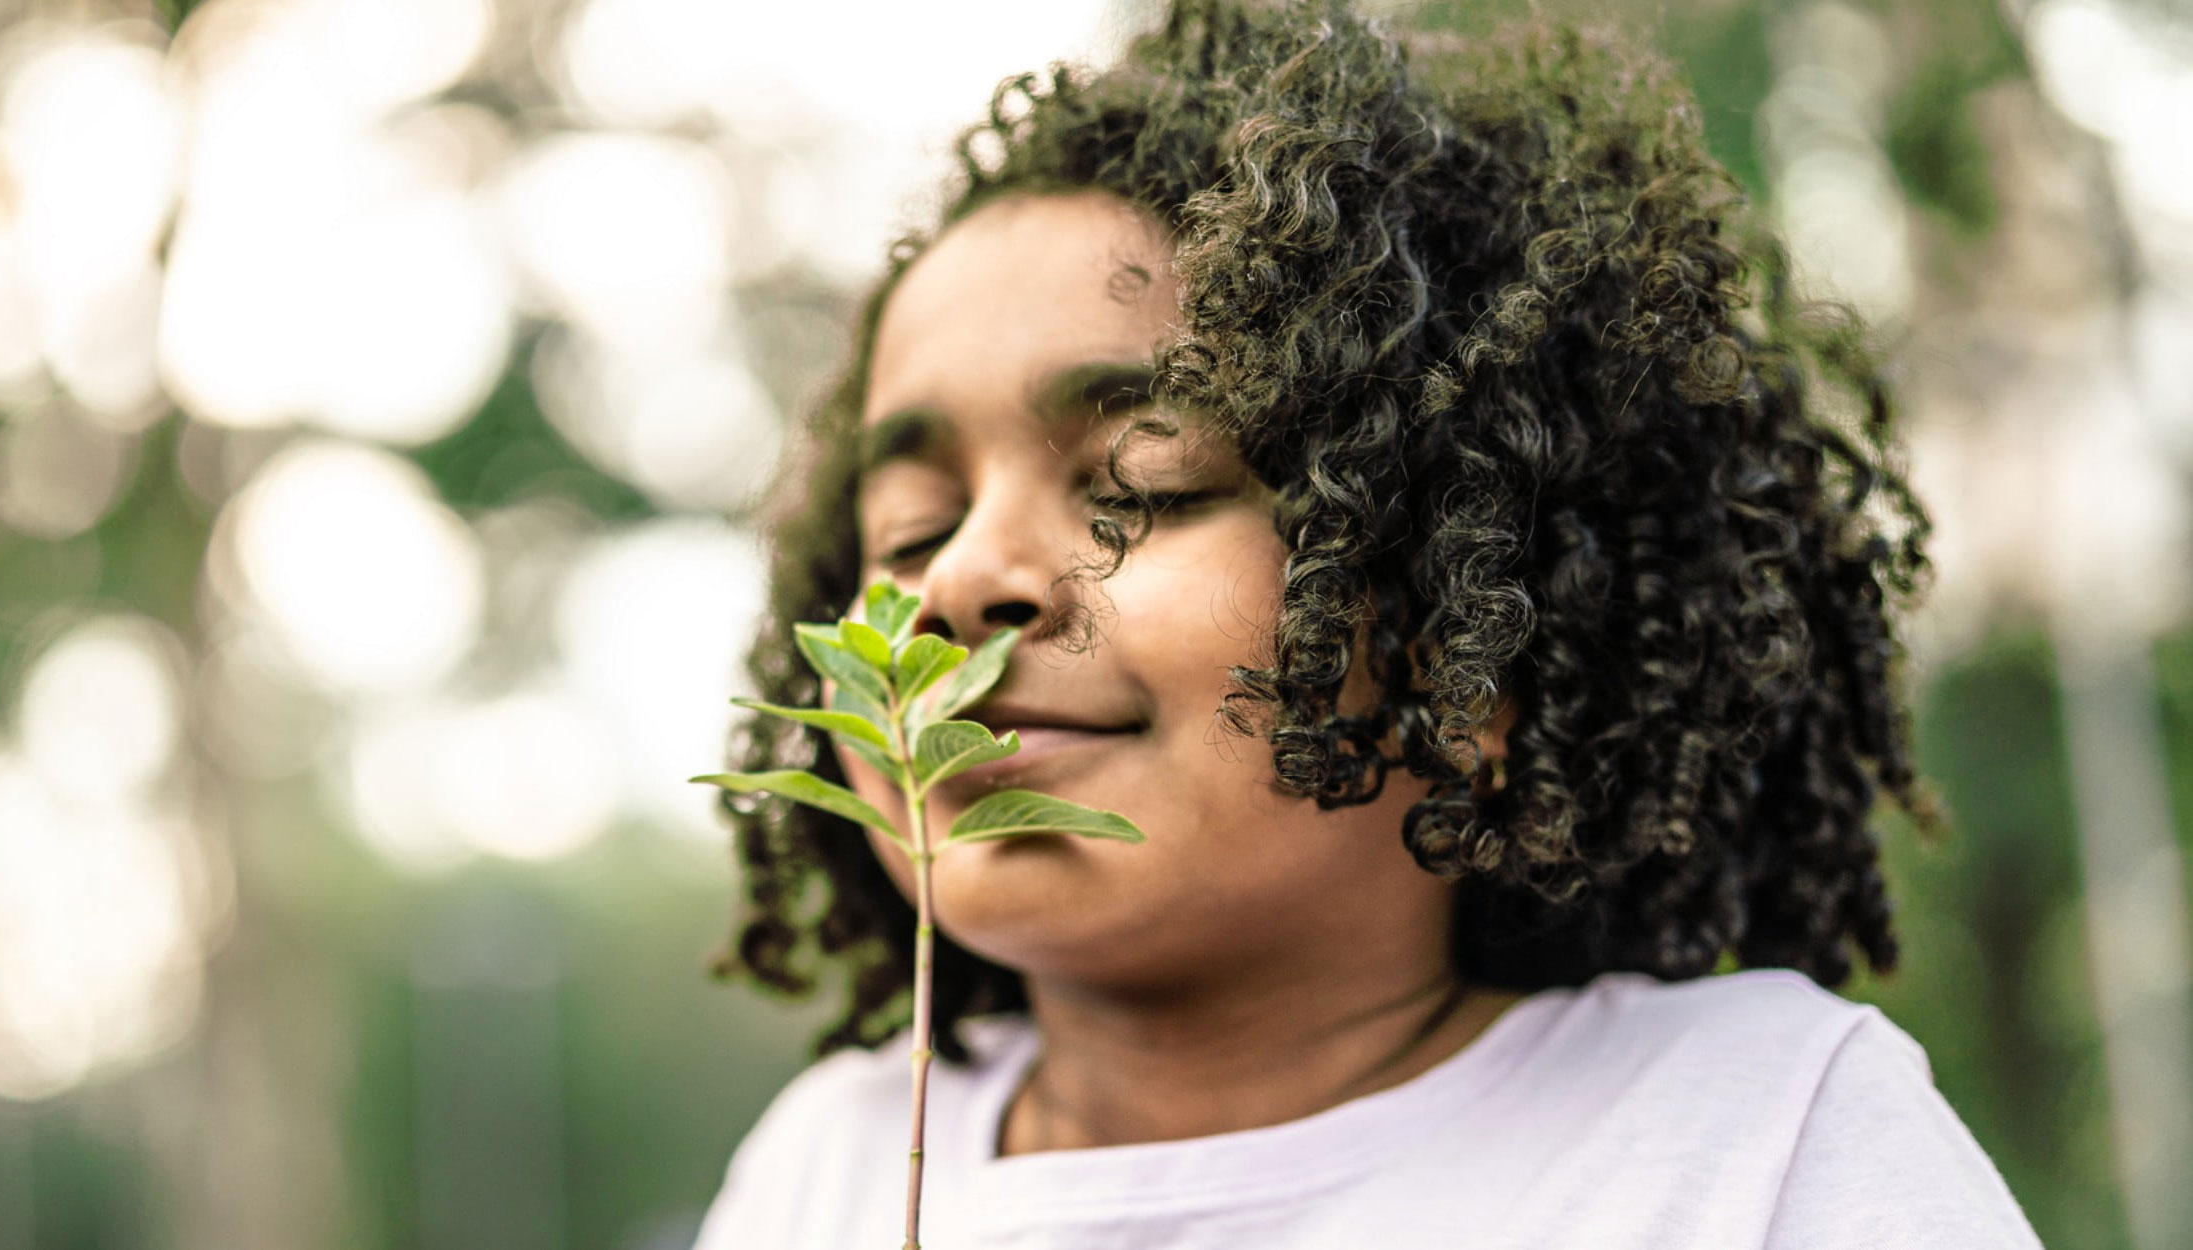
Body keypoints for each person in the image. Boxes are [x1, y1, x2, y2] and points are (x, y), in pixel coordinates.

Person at [693, 1, 2043, 1247]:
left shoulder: (1751, 1135)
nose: (963, 576)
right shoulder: (829, 1167)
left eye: (1138, 484)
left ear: (1476, 636)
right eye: (909, 528)